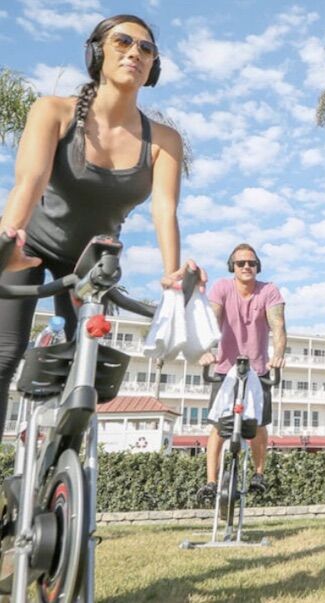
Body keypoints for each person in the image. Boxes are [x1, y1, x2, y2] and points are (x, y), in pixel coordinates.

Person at [0, 15, 199, 440]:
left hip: (92, 260)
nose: (135, 53)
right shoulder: (52, 111)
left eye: (146, 48)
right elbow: (30, 181)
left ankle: (61, 473)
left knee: (85, 367)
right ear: (96, 53)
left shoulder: (163, 139)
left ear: (154, 67)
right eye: (123, 42)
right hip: (31, 244)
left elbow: (165, 209)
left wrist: (171, 274)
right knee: (3, 354)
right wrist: (8, 239)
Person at [196, 243, 286, 500]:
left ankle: (259, 475)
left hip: (259, 369)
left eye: (251, 263)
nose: (246, 266)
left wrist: (278, 355)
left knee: (257, 425)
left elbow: (278, 326)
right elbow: (212, 319)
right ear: (232, 267)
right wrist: (205, 349)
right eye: (240, 263)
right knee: (218, 427)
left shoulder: (269, 291)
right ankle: (211, 482)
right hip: (226, 368)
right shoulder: (223, 288)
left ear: (258, 266)